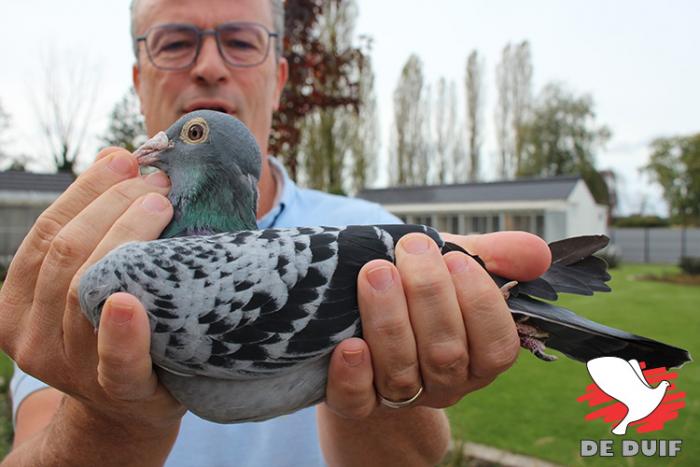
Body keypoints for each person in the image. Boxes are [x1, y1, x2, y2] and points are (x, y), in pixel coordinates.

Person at [1, 0, 552, 465]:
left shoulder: (364, 221)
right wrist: (109, 416)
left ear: (279, 75)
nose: (210, 66)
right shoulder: (84, 253)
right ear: (139, 78)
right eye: (174, 43)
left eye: (240, 41)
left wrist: (393, 381)